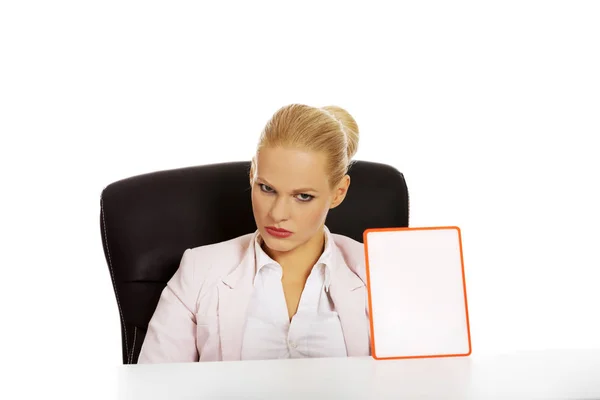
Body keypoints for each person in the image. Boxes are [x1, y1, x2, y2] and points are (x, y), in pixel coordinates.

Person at [138, 104, 370, 363]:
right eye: (267, 189)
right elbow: (154, 385)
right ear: (252, 176)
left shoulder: (378, 272)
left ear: (339, 192)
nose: (278, 213)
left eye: (303, 196)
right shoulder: (198, 271)